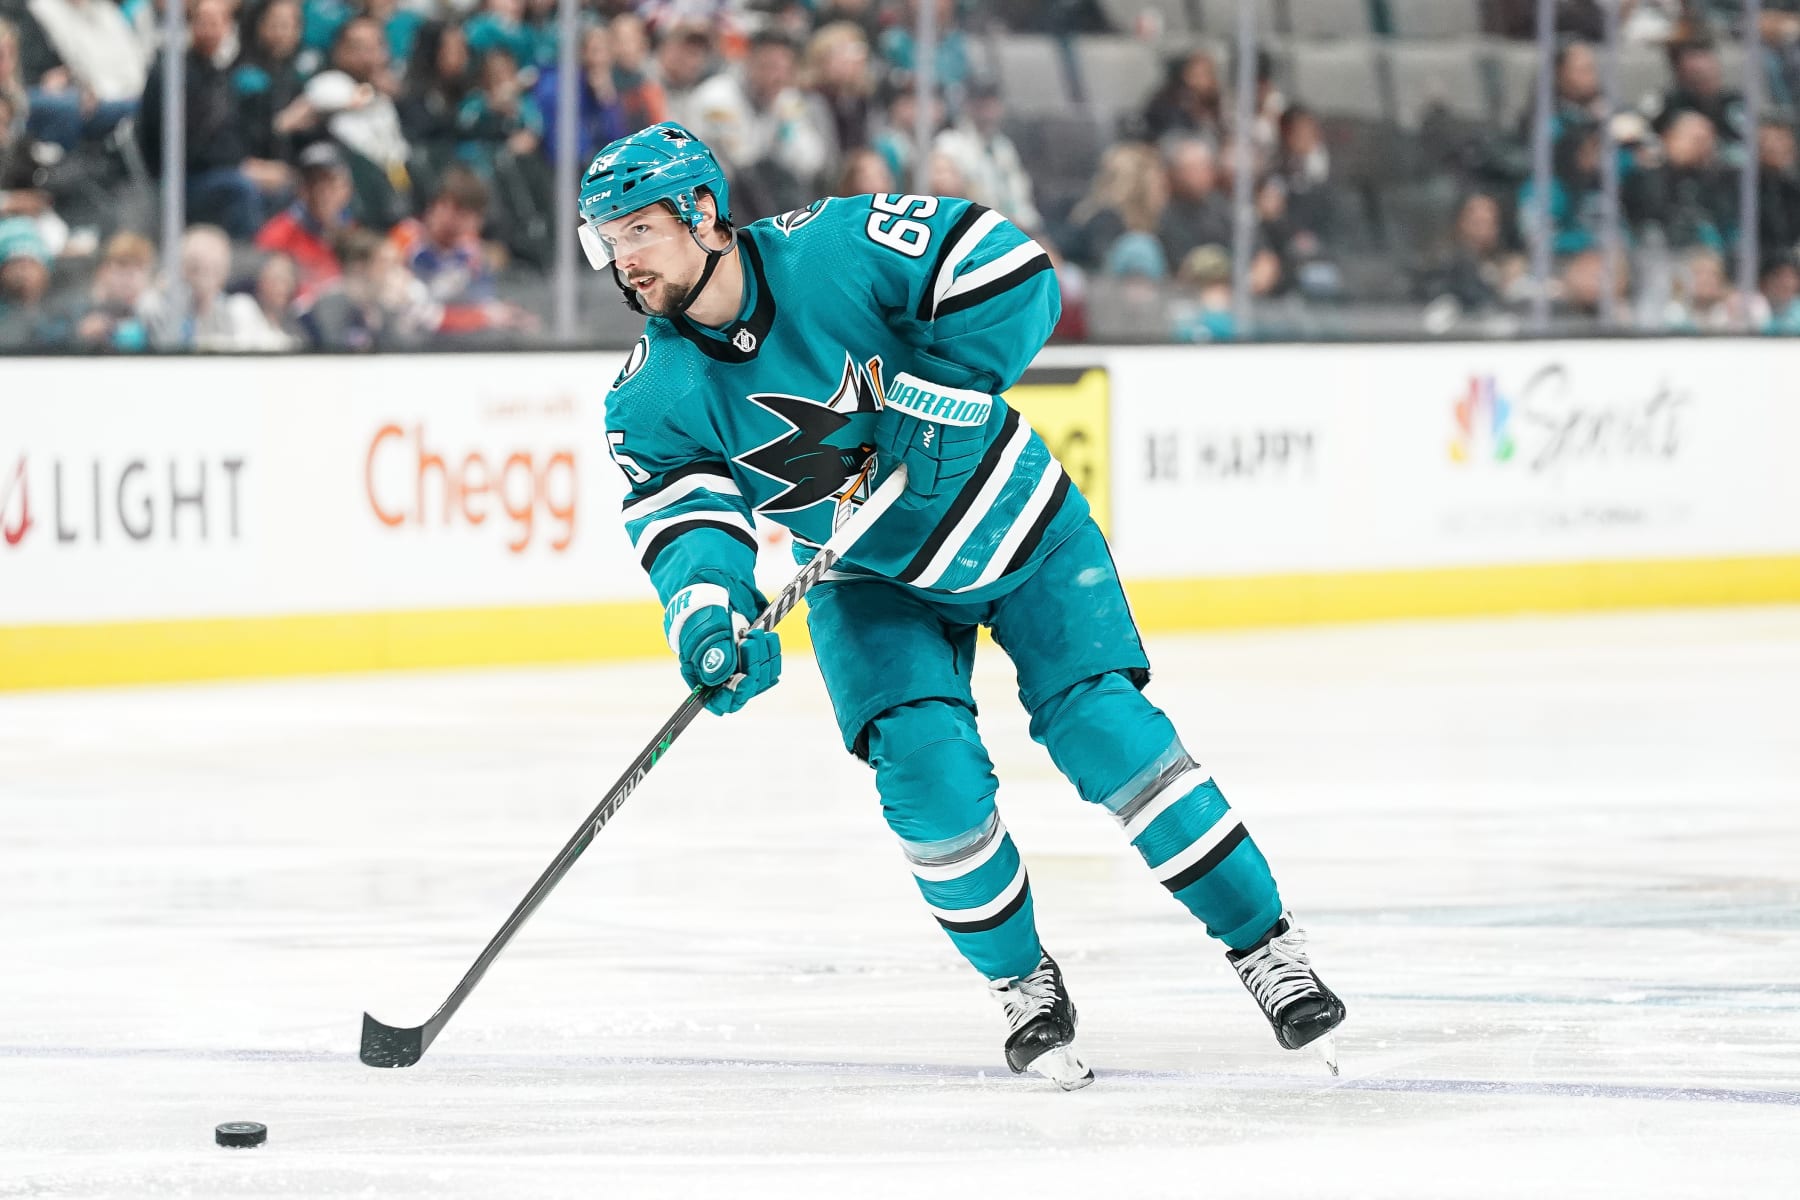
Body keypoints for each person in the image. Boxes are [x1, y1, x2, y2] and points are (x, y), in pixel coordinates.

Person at [579, 122, 1347, 1088]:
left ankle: (1263, 945)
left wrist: (946, 384)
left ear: (702, 214)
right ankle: (1023, 983)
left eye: (638, 231)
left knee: (1107, 733)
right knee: (926, 780)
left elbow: (1013, 267)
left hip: (1014, 523)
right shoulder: (651, 396)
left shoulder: (831, 245)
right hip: (865, 579)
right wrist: (706, 618)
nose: (623, 260)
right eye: (607, 241)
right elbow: (685, 525)